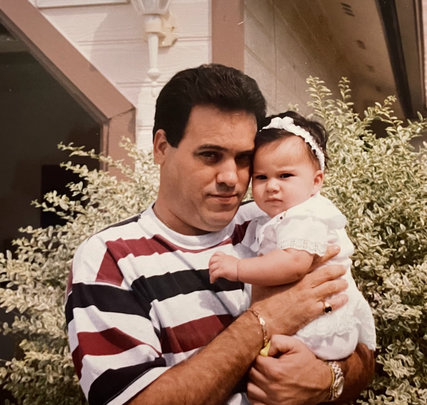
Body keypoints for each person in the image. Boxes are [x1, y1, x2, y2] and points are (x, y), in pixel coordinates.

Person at [65, 64, 375, 405]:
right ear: (162, 147)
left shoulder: (277, 225)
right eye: (210, 155)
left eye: (243, 158)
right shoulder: (110, 259)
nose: (230, 177)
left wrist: (327, 379)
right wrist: (265, 320)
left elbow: (362, 353)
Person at [208, 112, 376, 361]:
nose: (272, 186)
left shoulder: (305, 215)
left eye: (285, 176)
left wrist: (238, 268)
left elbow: (294, 264)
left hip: (322, 326)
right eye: (261, 177)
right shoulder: (278, 215)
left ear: (316, 181)